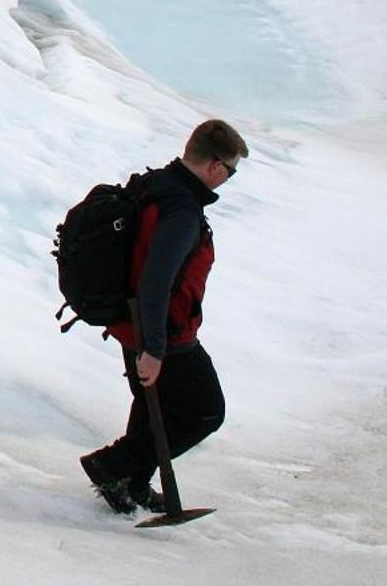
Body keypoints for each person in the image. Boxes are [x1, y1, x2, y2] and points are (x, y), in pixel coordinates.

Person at [79, 118, 248, 513]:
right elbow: (156, 280)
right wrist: (153, 348)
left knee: (152, 402)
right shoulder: (182, 212)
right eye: (232, 172)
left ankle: (132, 486)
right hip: (163, 332)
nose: (228, 179)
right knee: (205, 410)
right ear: (216, 168)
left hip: (129, 321)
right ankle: (111, 466)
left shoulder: (157, 184)